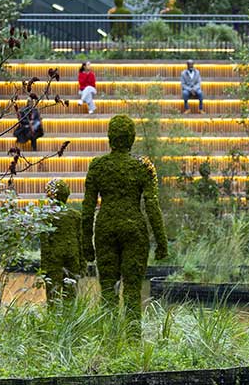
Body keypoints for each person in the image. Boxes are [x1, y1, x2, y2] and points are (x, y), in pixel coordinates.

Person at [81, 115, 168, 329]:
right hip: (134, 231)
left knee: (108, 289)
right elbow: (151, 206)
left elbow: (87, 208)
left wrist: (86, 243)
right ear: (132, 138)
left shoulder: (98, 166)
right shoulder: (143, 167)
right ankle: (132, 337)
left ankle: (109, 336)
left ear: (110, 137)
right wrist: (161, 242)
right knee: (132, 289)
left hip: (105, 229)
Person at [40, 179, 83, 302]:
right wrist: (82, 264)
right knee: (71, 296)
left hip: (53, 259)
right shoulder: (75, 216)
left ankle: (53, 320)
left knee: (52, 297)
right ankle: (71, 320)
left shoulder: (46, 217)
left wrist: (43, 269)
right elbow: (80, 240)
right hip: (73, 257)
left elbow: (44, 244)